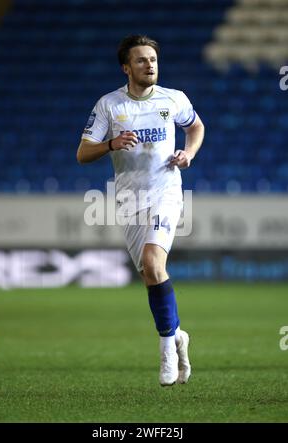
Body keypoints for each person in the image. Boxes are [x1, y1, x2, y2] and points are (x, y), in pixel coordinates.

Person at [77, 35, 205, 386]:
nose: (150, 65)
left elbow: (195, 126)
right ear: (126, 67)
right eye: (141, 60)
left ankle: (166, 351)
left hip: (166, 191)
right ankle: (177, 335)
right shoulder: (109, 106)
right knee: (150, 275)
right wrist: (110, 144)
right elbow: (82, 153)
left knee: (153, 262)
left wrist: (188, 153)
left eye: (153, 59)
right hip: (129, 200)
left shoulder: (173, 99)